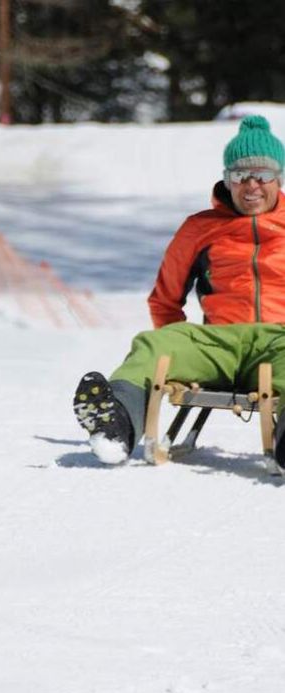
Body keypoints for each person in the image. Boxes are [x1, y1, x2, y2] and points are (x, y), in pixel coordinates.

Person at [73, 114, 285, 466]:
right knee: (153, 344)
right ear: (226, 180)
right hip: (218, 344)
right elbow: (165, 298)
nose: (251, 185)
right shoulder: (199, 228)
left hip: (280, 339)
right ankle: (117, 425)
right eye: (240, 175)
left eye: (262, 175)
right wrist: (181, 349)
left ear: (277, 178)